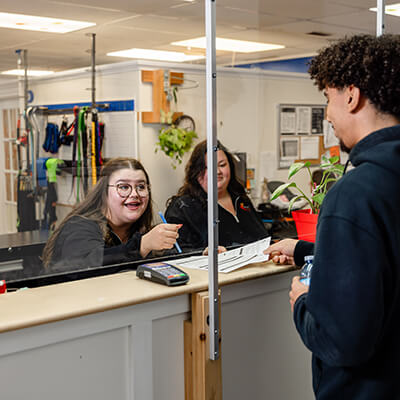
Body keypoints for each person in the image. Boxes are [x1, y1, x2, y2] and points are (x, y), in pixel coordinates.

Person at [265, 34, 400, 399]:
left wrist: (302, 303)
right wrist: (307, 251)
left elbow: (343, 341)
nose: (326, 114)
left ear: (352, 96)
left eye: (328, 98)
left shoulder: (355, 193)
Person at [42, 157, 181, 270]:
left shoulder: (138, 229)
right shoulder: (79, 226)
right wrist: (142, 246)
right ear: (104, 193)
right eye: (124, 187)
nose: (135, 194)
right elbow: (90, 266)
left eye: (141, 187)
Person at [165, 140, 268, 252]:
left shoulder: (241, 199)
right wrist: (204, 254)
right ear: (196, 172)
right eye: (209, 167)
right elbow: (173, 252)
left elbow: (263, 238)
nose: (218, 171)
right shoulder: (182, 207)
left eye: (222, 165)